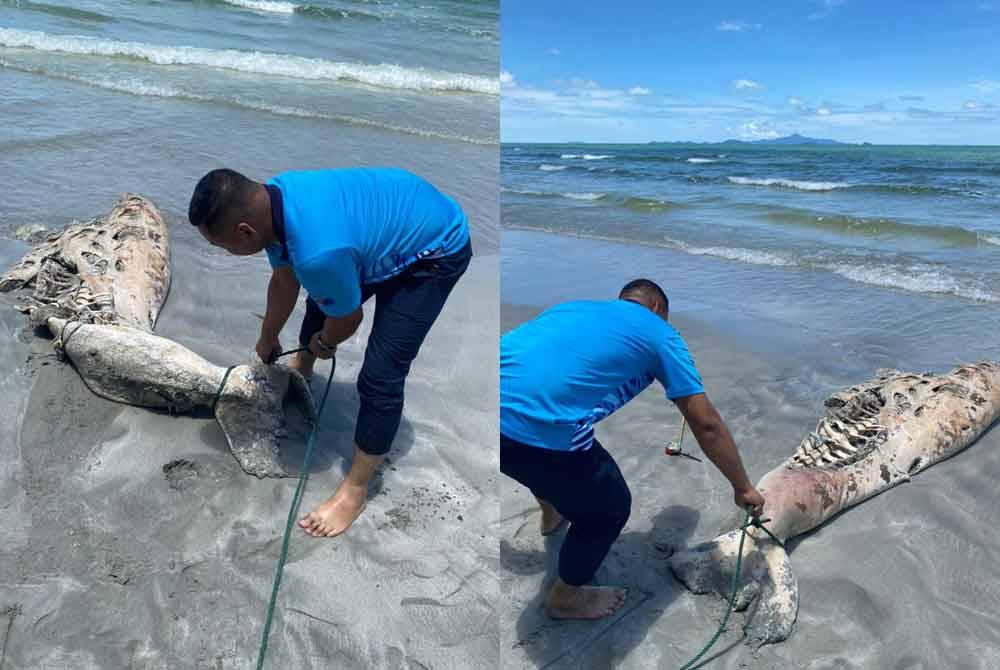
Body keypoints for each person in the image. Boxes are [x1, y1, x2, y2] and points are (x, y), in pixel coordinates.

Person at [189, 167, 472, 537]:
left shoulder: (317, 251)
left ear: (246, 232)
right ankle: (301, 367)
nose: (227, 253)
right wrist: (267, 336)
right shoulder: (272, 200)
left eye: (224, 246)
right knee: (321, 294)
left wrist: (326, 342)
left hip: (435, 249)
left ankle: (355, 490)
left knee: (381, 375)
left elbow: (348, 317)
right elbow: (284, 279)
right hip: (388, 222)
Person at [499, 279, 765, 620]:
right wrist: (742, 486)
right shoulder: (661, 333)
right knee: (608, 509)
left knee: (541, 452)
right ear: (657, 308)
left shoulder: (576, 305)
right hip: (540, 432)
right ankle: (565, 597)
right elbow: (707, 424)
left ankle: (552, 513)